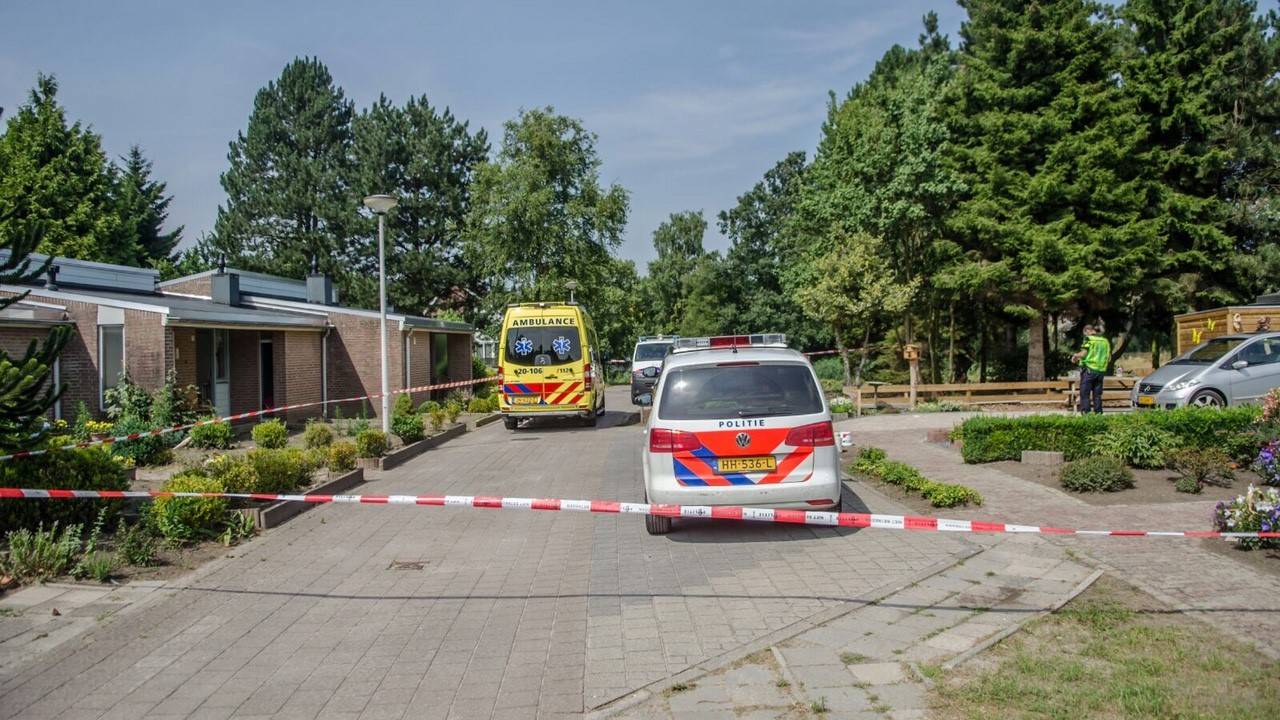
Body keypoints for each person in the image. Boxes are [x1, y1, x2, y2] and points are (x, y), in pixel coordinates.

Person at [1071, 325, 1111, 414]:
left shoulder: (1089, 339)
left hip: (1089, 371)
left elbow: (1084, 353)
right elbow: (1109, 358)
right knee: (1097, 395)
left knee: (1085, 394)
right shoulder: (1105, 341)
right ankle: (1098, 414)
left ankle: (1086, 414)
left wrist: (1075, 356)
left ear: (1087, 331)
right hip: (1100, 372)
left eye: (1085, 333)